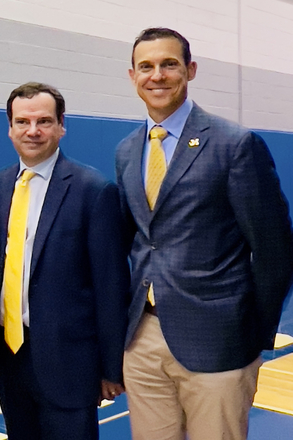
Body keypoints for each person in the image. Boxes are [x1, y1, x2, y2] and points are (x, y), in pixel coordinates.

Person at [116, 27, 293, 440]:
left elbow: (274, 248)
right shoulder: (127, 150)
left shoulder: (234, 145)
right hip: (142, 339)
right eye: (146, 67)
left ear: (190, 70)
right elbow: (139, 240)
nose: (156, 75)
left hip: (220, 341)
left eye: (169, 64)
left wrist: (252, 335)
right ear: (132, 76)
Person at [0, 82, 129, 440]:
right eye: (22, 122)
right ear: (10, 127)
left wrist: (112, 368)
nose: (32, 131)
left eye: (44, 121)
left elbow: (111, 286)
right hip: (9, 357)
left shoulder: (93, 190)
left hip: (70, 365)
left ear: (62, 125)